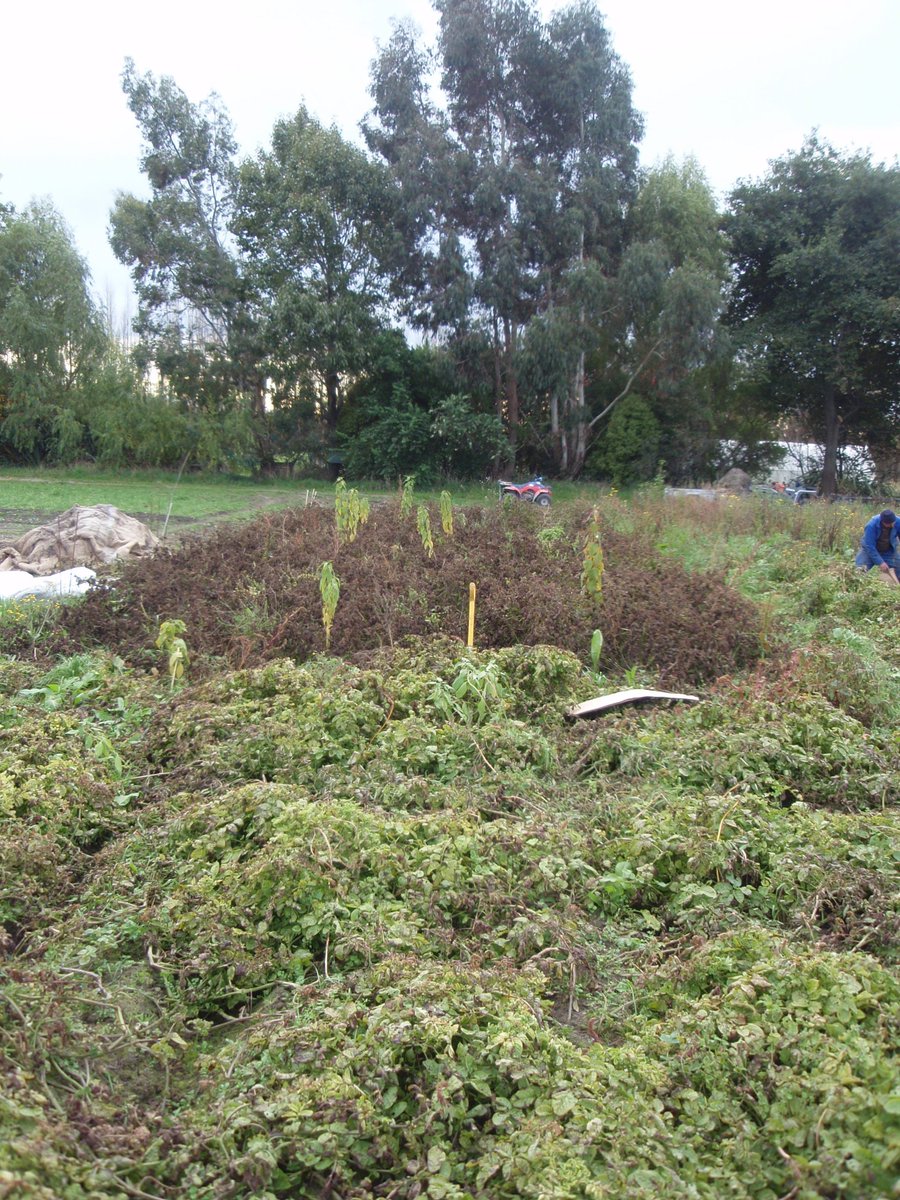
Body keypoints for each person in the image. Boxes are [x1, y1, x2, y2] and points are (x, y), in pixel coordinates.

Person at [855, 509, 900, 576]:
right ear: (883, 522)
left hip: (888, 551)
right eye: (889, 524)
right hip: (868, 551)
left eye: (892, 523)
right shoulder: (871, 525)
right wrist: (880, 562)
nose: (891, 525)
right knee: (859, 572)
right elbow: (870, 546)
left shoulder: (898, 522)